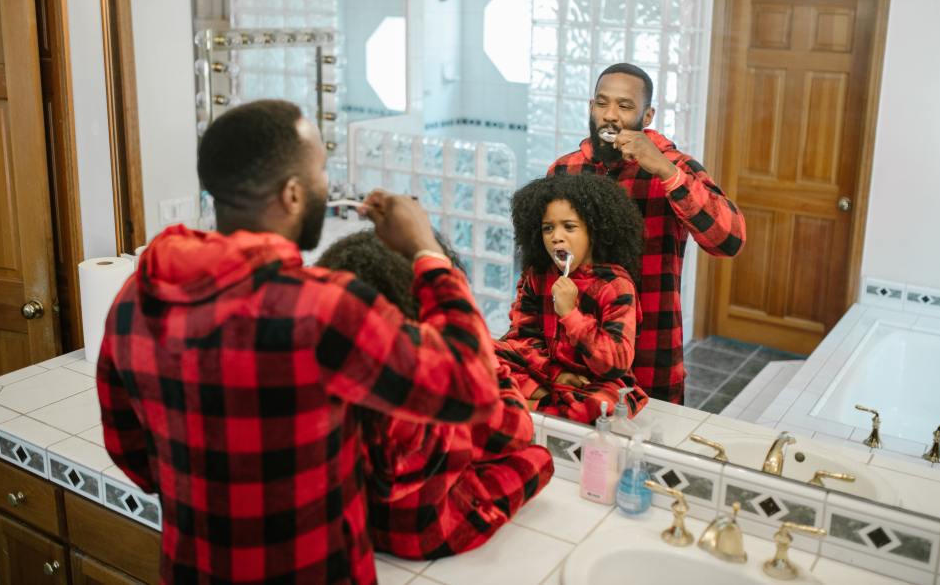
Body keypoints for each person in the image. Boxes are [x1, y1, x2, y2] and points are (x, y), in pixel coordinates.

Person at [96, 100, 502, 584]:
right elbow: (472, 388)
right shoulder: (322, 311)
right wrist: (426, 252)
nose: (327, 187)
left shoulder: (136, 296)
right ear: (292, 194)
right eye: (321, 172)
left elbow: (130, 453)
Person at [316, 230, 554, 559]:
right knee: (538, 459)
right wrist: (486, 366)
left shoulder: (323, 364)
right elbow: (514, 432)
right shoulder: (430, 383)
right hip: (423, 532)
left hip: (355, 521)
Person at [549, 63, 746, 405]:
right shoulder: (565, 170)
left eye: (625, 106)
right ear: (591, 106)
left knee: (650, 455)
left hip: (650, 352)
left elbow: (729, 241)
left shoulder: (675, 167)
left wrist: (665, 171)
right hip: (577, 354)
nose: (610, 115)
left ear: (648, 114)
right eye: (601, 103)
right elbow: (544, 269)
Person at [495, 173, 649, 423]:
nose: (556, 236)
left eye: (569, 226)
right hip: (546, 372)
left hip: (597, 381)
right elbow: (522, 337)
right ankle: (553, 404)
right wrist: (555, 374)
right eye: (548, 228)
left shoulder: (616, 286)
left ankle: (536, 404)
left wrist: (571, 315)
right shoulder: (537, 276)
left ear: (595, 231)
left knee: (600, 406)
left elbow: (615, 363)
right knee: (481, 356)